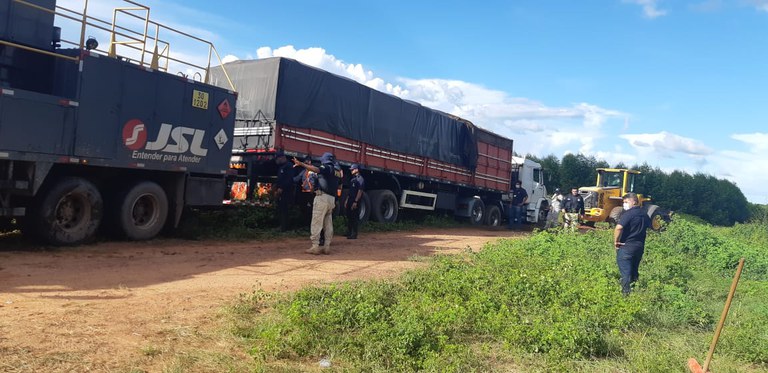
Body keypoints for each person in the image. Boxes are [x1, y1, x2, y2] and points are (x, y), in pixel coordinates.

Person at [293, 152, 339, 255]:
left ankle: (315, 246)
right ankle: (327, 246)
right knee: (328, 223)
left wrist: (301, 164)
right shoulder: (336, 170)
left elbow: (316, 169)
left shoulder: (326, 167)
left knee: (316, 222)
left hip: (322, 197)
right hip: (331, 199)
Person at [613, 193, 651, 295]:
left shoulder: (628, 214)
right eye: (623, 202)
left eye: (626, 202)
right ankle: (636, 289)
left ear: (634, 202)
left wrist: (616, 242)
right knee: (634, 270)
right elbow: (650, 226)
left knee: (626, 272)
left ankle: (626, 294)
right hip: (639, 247)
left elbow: (618, 227)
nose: (624, 204)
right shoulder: (644, 214)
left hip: (626, 247)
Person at [274, 150, 296, 231]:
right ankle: (282, 225)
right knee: (280, 209)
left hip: (287, 192)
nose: (276, 161)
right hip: (281, 192)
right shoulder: (281, 167)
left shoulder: (289, 166)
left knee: (284, 209)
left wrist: (282, 188)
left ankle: (284, 227)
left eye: (277, 159)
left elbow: (289, 180)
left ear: (282, 158)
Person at [345, 164, 365, 239]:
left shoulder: (360, 179)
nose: (351, 170)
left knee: (354, 217)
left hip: (355, 201)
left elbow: (360, 191)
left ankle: (354, 233)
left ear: (357, 170)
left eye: (352, 169)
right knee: (349, 216)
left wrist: (356, 201)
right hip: (350, 199)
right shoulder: (353, 179)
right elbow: (350, 191)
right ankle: (349, 232)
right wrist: (347, 200)